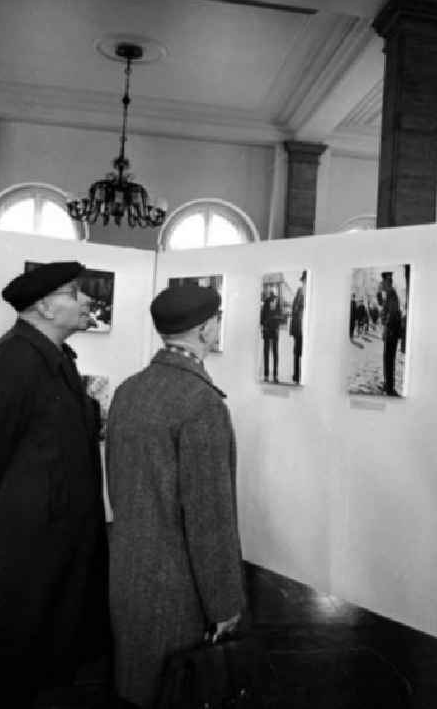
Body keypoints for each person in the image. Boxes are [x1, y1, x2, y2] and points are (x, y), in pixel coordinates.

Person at [0, 261, 109, 709]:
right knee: (11, 670)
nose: (85, 301)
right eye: (74, 294)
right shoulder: (13, 363)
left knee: (48, 667)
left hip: (55, 549)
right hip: (24, 552)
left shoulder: (54, 360)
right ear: (44, 306)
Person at [106, 283, 246, 709]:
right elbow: (210, 517)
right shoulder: (201, 403)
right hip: (178, 586)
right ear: (206, 330)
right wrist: (224, 604)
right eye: (217, 321)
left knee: (138, 684)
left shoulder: (130, 389)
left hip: (128, 571)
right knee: (178, 690)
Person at [378, 271, 402, 396]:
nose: (382, 285)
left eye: (383, 283)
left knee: (389, 359)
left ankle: (389, 387)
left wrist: (386, 329)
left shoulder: (392, 294)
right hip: (390, 331)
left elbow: (392, 315)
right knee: (387, 359)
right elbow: (382, 306)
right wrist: (378, 293)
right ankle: (388, 384)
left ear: (388, 282)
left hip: (391, 332)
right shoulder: (389, 294)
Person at [260, 289, 282, 382]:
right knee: (270, 352)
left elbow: (280, 316)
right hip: (270, 329)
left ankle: (272, 374)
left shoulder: (274, 303)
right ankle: (270, 375)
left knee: (272, 352)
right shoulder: (269, 302)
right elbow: (262, 316)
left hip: (271, 329)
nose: (272, 295)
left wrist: (265, 324)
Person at [289, 271, 306, 384]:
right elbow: (294, 308)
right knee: (300, 352)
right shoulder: (303, 291)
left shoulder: (303, 291)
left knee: (299, 353)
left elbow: (294, 308)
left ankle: (299, 375)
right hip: (302, 327)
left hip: (303, 327)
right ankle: (298, 375)